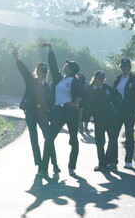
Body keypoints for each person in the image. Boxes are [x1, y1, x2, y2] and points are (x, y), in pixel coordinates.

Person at [38, 43, 85, 177]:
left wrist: (78, 106)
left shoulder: (75, 82)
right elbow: (53, 66)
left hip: (70, 113)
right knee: (49, 139)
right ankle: (43, 168)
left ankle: (71, 167)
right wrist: (51, 50)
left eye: (67, 65)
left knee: (73, 140)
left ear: (70, 69)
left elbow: (86, 95)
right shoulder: (59, 79)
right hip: (58, 112)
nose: (64, 65)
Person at [11, 46, 59, 173]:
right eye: (39, 72)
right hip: (31, 113)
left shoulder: (48, 87)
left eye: (43, 73)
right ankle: (40, 164)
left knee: (48, 138)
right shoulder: (31, 82)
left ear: (46, 74)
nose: (41, 75)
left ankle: (54, 163)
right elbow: (24, 71)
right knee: (34, 138)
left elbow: (50, 102)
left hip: (43, 114)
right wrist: (16, 58)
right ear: (36, 72)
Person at [84, 70, 122, 171]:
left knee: (113, 140)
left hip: (110, 118)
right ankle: (102, 164)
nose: (100, 81)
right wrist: (86, 119)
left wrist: (114, 105)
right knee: (100, 142)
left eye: (102, 79)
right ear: (94, 78)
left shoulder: (107, 88)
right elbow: (86, 104)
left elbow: (118, 96)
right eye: (98, 78)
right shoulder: (89, 89)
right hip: (98, 119)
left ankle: (113, 162)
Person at [113, 58, 135, 169]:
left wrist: (134, 110)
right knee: (114, 135)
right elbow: (113, 94)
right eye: (122, 66)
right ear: (120, 67)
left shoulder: (133, 80)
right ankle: (113, 160)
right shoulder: (117, 79)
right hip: (118, 111)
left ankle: (128, 161)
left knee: (129, 136)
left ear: (129, 68)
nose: (124, 68)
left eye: (126, 66)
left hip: (129, 112)